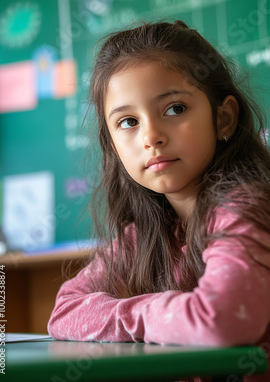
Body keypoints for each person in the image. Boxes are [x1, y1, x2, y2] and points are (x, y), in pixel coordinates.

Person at [48, 21, 270, 382]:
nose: (151, 136)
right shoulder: (148, 234)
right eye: (128, 121)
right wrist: (160, 316)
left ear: (223, 118)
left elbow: (222, 323)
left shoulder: (243, 207)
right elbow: (64, 311)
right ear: (114, 146)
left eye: (175, 109)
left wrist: (133, 316)